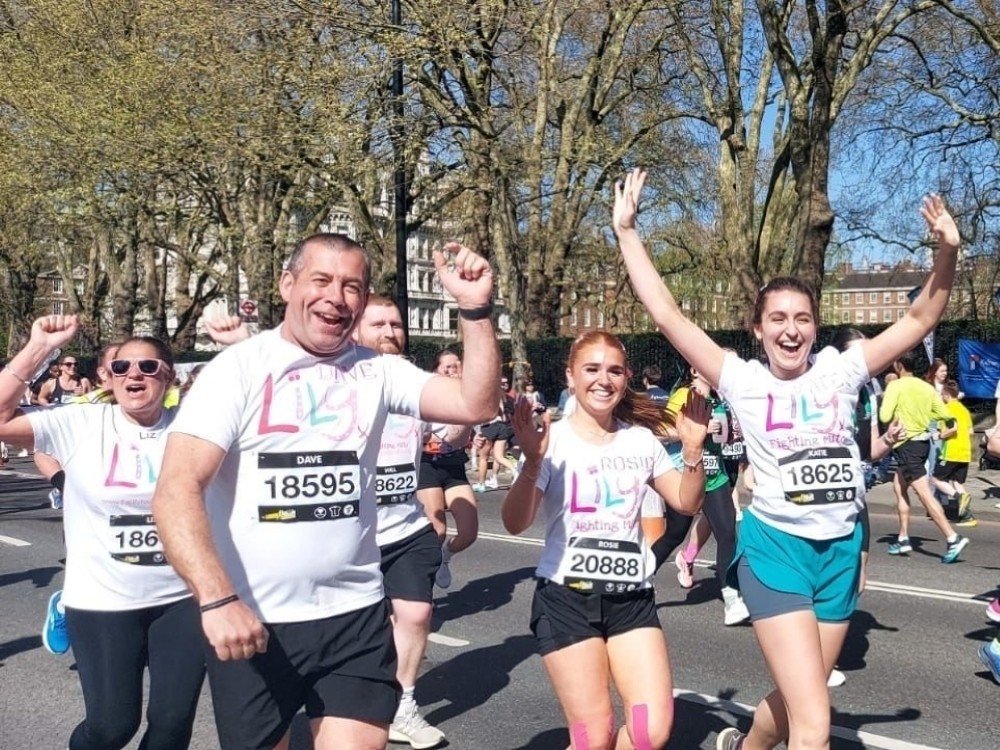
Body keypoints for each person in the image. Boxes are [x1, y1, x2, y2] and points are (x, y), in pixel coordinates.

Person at [613, 168, 960, 750]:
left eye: (802, 318)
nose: (791, 330)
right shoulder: (743, 381)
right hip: (776, 554)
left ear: (815, 327)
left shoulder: (841, 368)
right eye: (777, 318)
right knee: (814, 724)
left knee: (807, 693)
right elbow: (670, 317)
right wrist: (628, 233)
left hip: (839, 552)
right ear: (758, 328)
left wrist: (946, 252)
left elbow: (922, 317)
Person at [152, 234, 499, 750]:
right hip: (255, 620)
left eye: (351, 286)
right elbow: (177, 489)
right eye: (322, 280)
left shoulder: (377, 370)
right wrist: (217, 599)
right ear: (288, 285)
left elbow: (475, 403)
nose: (336, 296)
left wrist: (474, 310)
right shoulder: (238, 369)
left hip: (354, 617)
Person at [0, 315, 205, 749]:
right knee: (113, 726)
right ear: (109, 378)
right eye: (122, 367)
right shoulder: (81, 423)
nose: (134, 374)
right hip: (104, 599)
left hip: (183, 597)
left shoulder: (193, 428)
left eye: (148, 367)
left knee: (172, 722)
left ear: (167, 377)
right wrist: (39, 347)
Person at [501, 331, 709, 750]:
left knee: (650, 734)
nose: (604, 379)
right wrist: (532, 463)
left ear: (627, 377)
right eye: (591, 369)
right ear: (571, 376)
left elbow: (686, 503)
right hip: (565, 602)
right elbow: (514, 523)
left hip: (630, 600)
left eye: (614, 370)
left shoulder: (640, 440)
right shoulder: (551, 441)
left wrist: (692, 450)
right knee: (592, 738)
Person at [354, 296, 447, 748]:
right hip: (350, 534)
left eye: (396, 324)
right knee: (359, 634)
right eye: (378, 324)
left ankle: (403, 704)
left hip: (406, 526)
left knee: (416, 612)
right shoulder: (341, 382)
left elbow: (447, 435)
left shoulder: (414, 383)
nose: (390, 331)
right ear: (354, 329)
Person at [659, 365, 749, 626]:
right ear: (695, 369)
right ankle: (641, 578)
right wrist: (694, 432)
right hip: (686, 477)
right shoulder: (684, 395)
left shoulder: (719, 399)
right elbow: (660, 431)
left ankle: (732, 600)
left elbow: (724, 437)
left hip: (715, 477)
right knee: (673, 536)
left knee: (727, 533)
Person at [880, 350, 968, 562]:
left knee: (924, 495)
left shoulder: (895, 386)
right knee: (898, 487)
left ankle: (952, 537)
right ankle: (902, 538)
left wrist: (894, 409)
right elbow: (945, 414)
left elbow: (884, 415)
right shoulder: (926, 388)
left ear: (898, 365)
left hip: (906, 445)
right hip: (922, 444)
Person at [418, 350, 478, 591]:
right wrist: (428, 438)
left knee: (469, 532)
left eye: (457, 366)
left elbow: (458, 440)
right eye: (448, 367)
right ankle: (421, 583)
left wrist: (467, 418)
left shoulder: (467, 399)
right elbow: (415, 435)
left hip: (453, 464)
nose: (454, 371)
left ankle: (445, 556)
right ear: (436, 371)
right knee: (438, 528)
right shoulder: (426, 397)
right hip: (427, 463)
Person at [930, 380, 975, 526]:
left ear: (946, 394)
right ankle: (968, 517)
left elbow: (953, 428)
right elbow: (970, 431)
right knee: (957, 482)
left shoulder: (947, 409)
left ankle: (958, 497)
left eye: (942, 394)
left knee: (936, 479)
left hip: (951, 451)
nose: (941, 397)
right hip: (965, 452)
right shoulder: (963, 410)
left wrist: (940, 436)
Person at [475, 386, 518, 492]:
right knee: (499, 456)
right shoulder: (500, 396)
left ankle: (481, 484)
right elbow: (503, 414)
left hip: (489, 426)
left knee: (483, 457)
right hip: (502, 426)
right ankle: (516, 470)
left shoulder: (485, 396)